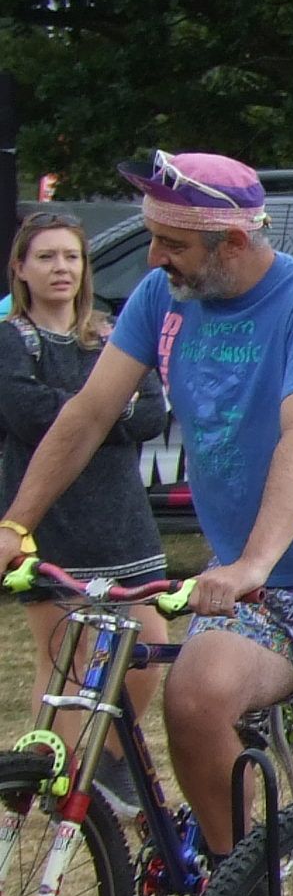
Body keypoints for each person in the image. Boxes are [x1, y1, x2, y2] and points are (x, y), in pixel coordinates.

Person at [0, 151, 293, 896]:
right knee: (194, 695)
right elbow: (90, 413)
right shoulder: (164, 299)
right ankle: (239, 884)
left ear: (230, 241)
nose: (154, 259)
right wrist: (14, 524)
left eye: (172, 243)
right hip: (251, 584)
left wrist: (252, 564)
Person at [0, 210, 172, 743]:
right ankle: (61, 776)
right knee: (65, 661)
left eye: (71, 256)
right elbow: (25, 412)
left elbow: (151, 413)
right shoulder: (12, 339)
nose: (61, 268)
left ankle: (112, 765)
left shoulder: (109, 334)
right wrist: (95, 408)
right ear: (21, 268)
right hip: (52, 520)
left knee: (147, 649)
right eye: (46, 257)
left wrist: (98, 412)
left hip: (121, 517)